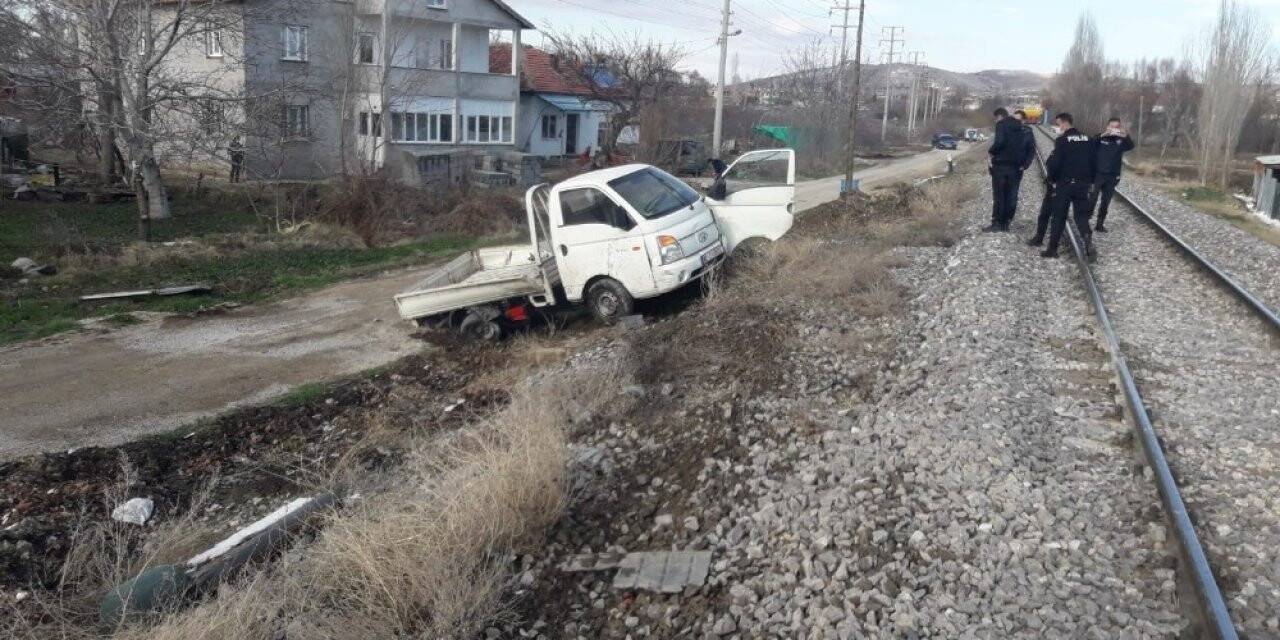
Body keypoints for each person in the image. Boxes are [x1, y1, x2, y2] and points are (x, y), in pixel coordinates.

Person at [1030, 112, 1096, 259]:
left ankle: (1052, 249)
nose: (1058, 127)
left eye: (1058, 124)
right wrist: (1091, 181)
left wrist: (1051, 179)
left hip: (1065, 184)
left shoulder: (1063, 140)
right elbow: (1094, 162)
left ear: (1064, 123)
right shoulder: (1088, 139)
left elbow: (1055, 163)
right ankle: (1087, 239)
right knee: (1081, 216)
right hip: (1082, 184)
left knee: (1059, 216)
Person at [1090, 117, 1135, 232]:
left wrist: (1126, 136)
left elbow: (1131, 146)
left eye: (1116, 127)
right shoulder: (1101, 137)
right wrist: (1104, 134)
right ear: (1107, 126)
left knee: (1106, 201)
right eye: (1112, 127)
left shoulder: (1121, 141)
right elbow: (1091, 143)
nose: (1114, 129)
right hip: (1098, 174)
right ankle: (1085, 220)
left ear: (1119, 128)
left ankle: (1099, 224)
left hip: (1112, 176)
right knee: (1092, 199)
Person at [986, 107, 1025, 232]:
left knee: (999, 195)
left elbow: (1000, 142)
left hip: (1001, 166)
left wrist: (991, 151)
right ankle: (1006, 224)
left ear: (999, 116)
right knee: (1010, 195)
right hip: (1014, 167)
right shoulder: (1019, 126)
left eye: (996, 119)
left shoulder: (1001, 125)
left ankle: (996, 223)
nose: (995, 121)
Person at [1007, 109, 1038, 226]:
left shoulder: (1027, 132)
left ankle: (1009, 217)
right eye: (1014, 119)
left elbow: (1031, 150)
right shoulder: (1007, 130)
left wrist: (1025, 165)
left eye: (1018, 120)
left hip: (1017, 168)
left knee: (1013, 194)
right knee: (1002, 193)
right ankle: (1001, 218)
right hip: (1004, 166)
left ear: (1023, 121)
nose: (1015, 122)